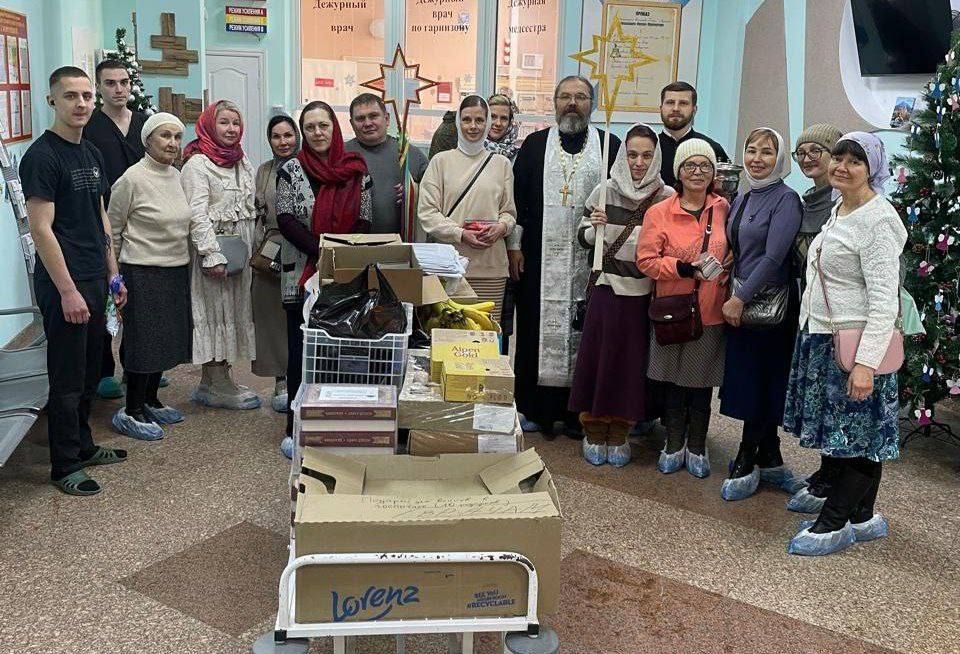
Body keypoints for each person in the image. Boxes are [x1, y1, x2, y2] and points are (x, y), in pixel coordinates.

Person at [785, 132, 906, 556]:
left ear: (872, 169)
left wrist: (866, 364)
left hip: (854, 349)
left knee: (857, 439)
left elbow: (884, 302)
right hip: (826, 340)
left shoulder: (878, 221)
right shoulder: (842, 208)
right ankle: (861, 515)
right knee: (853, 436)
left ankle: (833, 522)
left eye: (855, 161)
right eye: (838, 157)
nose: (842, 166)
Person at [22, 66, 129, 495]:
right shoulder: (42, 157)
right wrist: (67, 291)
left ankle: (83, 446)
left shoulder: (91, 153)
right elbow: (41, 229)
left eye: (86, 95)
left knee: (89, 373)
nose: (81, 103)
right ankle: (64, 464)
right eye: (71, 96)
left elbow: (100, 215)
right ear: (52, 101)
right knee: (67, 378)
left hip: (94, 276)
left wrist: (113, 274)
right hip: (62, 282)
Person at [512, 75, 620, 438]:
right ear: (555, 103)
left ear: (592, 104)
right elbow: (518, 200)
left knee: (587, 331)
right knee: (535, 328)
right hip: (539, 257)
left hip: (592, 261)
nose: (572, 103)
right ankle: (536, 409)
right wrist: (515, 246)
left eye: (581, 97)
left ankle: (579, 413)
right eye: (565, 97)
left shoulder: (610, 145)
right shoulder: (534, 145)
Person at [569, 123, 674, 467]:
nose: (639, 162)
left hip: (642, 294)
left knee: (629, 366)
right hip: (607, 288)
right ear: (621, 156)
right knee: (599, 360)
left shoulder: (666, 196)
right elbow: (582, 237)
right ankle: (593, 427)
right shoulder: (605, 190)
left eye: (646, 156)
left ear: (656, 158)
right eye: (632, 155)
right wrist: (594, 228)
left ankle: (620, 430)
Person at [275, 100, 371, 458]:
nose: (317, 133)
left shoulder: (356, 170)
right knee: (301, 350)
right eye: (310, 127)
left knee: (340, 349)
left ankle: (335, 425)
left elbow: (365, 219)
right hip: (302, 272)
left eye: (323, 125)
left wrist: (340, 255)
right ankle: (295, 427)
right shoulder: (291, 169)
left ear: (335, 128)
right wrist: (323, 250)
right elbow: (285, 219)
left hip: (345, 274)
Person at [636, 139, 730, 478]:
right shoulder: (660, 212)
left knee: (701, 383)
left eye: (705, 165)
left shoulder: (723, 208)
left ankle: (697, 446)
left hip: (711, 310)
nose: (698, 172)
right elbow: (646, 261)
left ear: (713, 172)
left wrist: (728, 263)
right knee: (674, 382)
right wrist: (684, 268)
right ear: (678, 171)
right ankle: (674, 443)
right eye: (690, 165)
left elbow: (734, 248)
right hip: (673, 310)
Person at [718, 127, 804, 501]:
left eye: (767, 152)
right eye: (751, 150)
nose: (757, 159)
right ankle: (770, 456)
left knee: (760, 380)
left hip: (770, 307)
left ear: (779, 159)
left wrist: (740, 298)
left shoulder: (786, 199)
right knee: (751, 379)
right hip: (742, 298)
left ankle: (745, 456)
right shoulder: (743, 196)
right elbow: (741, 248)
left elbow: (773, 257)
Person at [107, 113, 193, 441]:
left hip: (175, 268)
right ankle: (131, 409)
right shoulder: (132, 179)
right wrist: (114, 277)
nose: (172, 143)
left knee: (166, 339)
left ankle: (151, 400)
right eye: (164, 136)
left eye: (177, 136)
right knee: (143, 342)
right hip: (141, 270)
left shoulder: (177, 176)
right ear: (147, 140)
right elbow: (112, 231)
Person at [180, 101, 260, 410]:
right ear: (210, 126)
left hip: (240, 251)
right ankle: (213, 381)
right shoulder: (197, 165)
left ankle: (219, 377)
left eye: (235, 123)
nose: (231, 129)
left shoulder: (242, 161)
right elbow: (196, 214)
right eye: (224, 122)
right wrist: (211, 254)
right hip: (214, 251)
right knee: (214, 311)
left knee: (233, 311)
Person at [785, 123, 844, 514]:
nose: (807, 158)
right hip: (812, 315)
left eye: (816, 151)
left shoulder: (845, 203)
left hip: (840, 319)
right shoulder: (808, 200)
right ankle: (827, 470)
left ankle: (837, 479)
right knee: (821, 399)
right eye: (801, 152)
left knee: (838, 401)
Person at [419, 95, 517, 323]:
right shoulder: (440, 162)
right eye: (467, 120)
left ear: (487, 123)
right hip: (450, 267)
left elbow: (509, 212)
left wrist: (502, 227)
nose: (473, 126)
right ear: (458, 123)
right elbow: (427, 213)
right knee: (448, 331)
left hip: (491, 267)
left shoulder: (501, 164)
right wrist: (460, 233)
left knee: (487, 332)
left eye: (479, 120)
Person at [84, 59, 149, 400]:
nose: (119, 89)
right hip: (104, 220)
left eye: (124, 82)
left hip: (142, 222)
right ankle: (104, 371)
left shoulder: (143, 123)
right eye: (110, 83)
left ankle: (137, 365)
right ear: (99, 88)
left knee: (137, 296)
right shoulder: (90, 127)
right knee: (106, 296)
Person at [253, 114, 299, 414]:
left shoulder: (309, 166)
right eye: (276, 136)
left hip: (303, 248)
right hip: (272, 247)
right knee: (272, 315)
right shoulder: (264, 171)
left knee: (298, 316)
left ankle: (301, 378)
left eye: (288, 135)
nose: (283, 142)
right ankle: (281, 380)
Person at [345, 93, 428, 235]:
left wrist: (415, 192)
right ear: (352, 124)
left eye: (373, 116)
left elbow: (435, 196)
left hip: (401, 244)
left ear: (387, 119)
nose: (367, 123)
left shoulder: (410, 155)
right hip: (350, 242)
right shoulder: (340, 156)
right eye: (360, 118)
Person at [486, 93, 523, 353]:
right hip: (467, 243)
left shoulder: (517, 157)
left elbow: (516, 205)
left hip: (502, 243)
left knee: (500, 319)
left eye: (504, 118)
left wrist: (514, 245)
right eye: (492, 117)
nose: (498, 123)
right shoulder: (464, 150)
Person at [657, 81, 728, 188]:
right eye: (670, 102)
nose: (676, 108)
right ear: (661, 108)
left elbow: (726, 192)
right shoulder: (649, 148)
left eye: (683, 103)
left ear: (694, 110)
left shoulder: (713, 148)